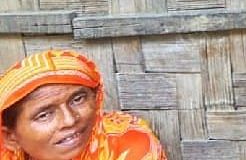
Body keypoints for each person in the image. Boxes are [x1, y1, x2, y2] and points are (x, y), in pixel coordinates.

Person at [0, 49, 166, 160]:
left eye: (77, 99)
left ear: (96, 98)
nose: (70, 120)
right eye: (44, 115)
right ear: (10, 137)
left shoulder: (128, 144)